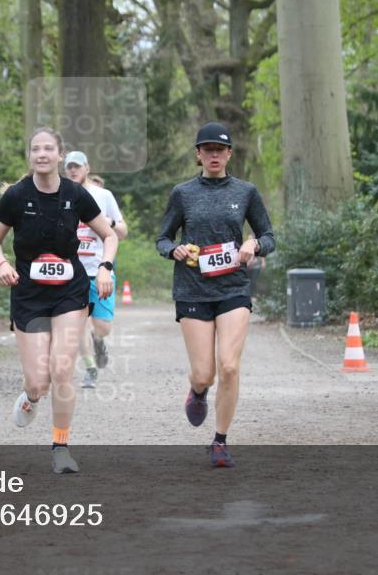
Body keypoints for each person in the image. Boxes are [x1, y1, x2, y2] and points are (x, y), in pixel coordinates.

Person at [0, 128, 117, 474]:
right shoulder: (15, 196)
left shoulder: (76, 194)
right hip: (28, 294)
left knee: (62, 370)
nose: (41, 154)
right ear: (30, 156)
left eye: (48, 149)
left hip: (69, 293)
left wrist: (105, 266)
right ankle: (30, 397)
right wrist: (2, 264)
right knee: (39, 382)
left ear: (60, 155)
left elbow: (109, 235)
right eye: (35, 149)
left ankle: (61, 446)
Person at [156, 122, 275, 468]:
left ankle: (220, 441)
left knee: (230, 366)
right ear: (198, 155)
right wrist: (174, 251)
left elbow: (268, 235)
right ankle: (197, 391)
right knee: (205, 373)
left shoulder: (246, 192)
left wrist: (253, 243)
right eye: (207, 149)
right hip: (193, 288)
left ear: (229, 154)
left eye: (219, 149)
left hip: (233, 287)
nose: (213, 155)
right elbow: (163, 238)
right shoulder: (183, 193)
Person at [63, 151, 128, 388]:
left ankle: (98, 340)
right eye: (69, 167)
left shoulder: (103, 195)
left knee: (101, 327)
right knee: (78, 323)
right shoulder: (60, 195)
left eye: (77, 167)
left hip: (99, 270)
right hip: (71, 272)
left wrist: (106, 222)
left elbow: (122, 231)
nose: (72, 171)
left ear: (87, 168)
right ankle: (90, 368)